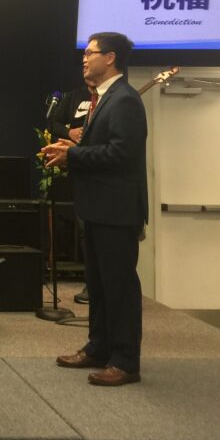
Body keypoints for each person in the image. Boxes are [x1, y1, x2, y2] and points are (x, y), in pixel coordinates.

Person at [42, 32, 148, 387]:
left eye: (91, 53)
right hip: (97, 207)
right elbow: (100, 148)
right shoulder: (102, 99)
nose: (84, 59)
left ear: (111, 58)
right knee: (99, 286)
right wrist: (68, 149)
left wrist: (73, 155)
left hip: (117, 210)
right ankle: (99, 348)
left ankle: (125, 361)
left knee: (120, 287)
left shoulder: (125, 100)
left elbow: (121, 153)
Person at [48, 79, 95, 304]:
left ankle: (106, 284)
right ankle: (91, 283)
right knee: (85, 229)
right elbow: (53, 123)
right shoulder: (74, 96)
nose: (86, 64)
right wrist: (70, 132)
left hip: (101, 169)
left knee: (101, 232)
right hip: (80, 170)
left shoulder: (111, 98)